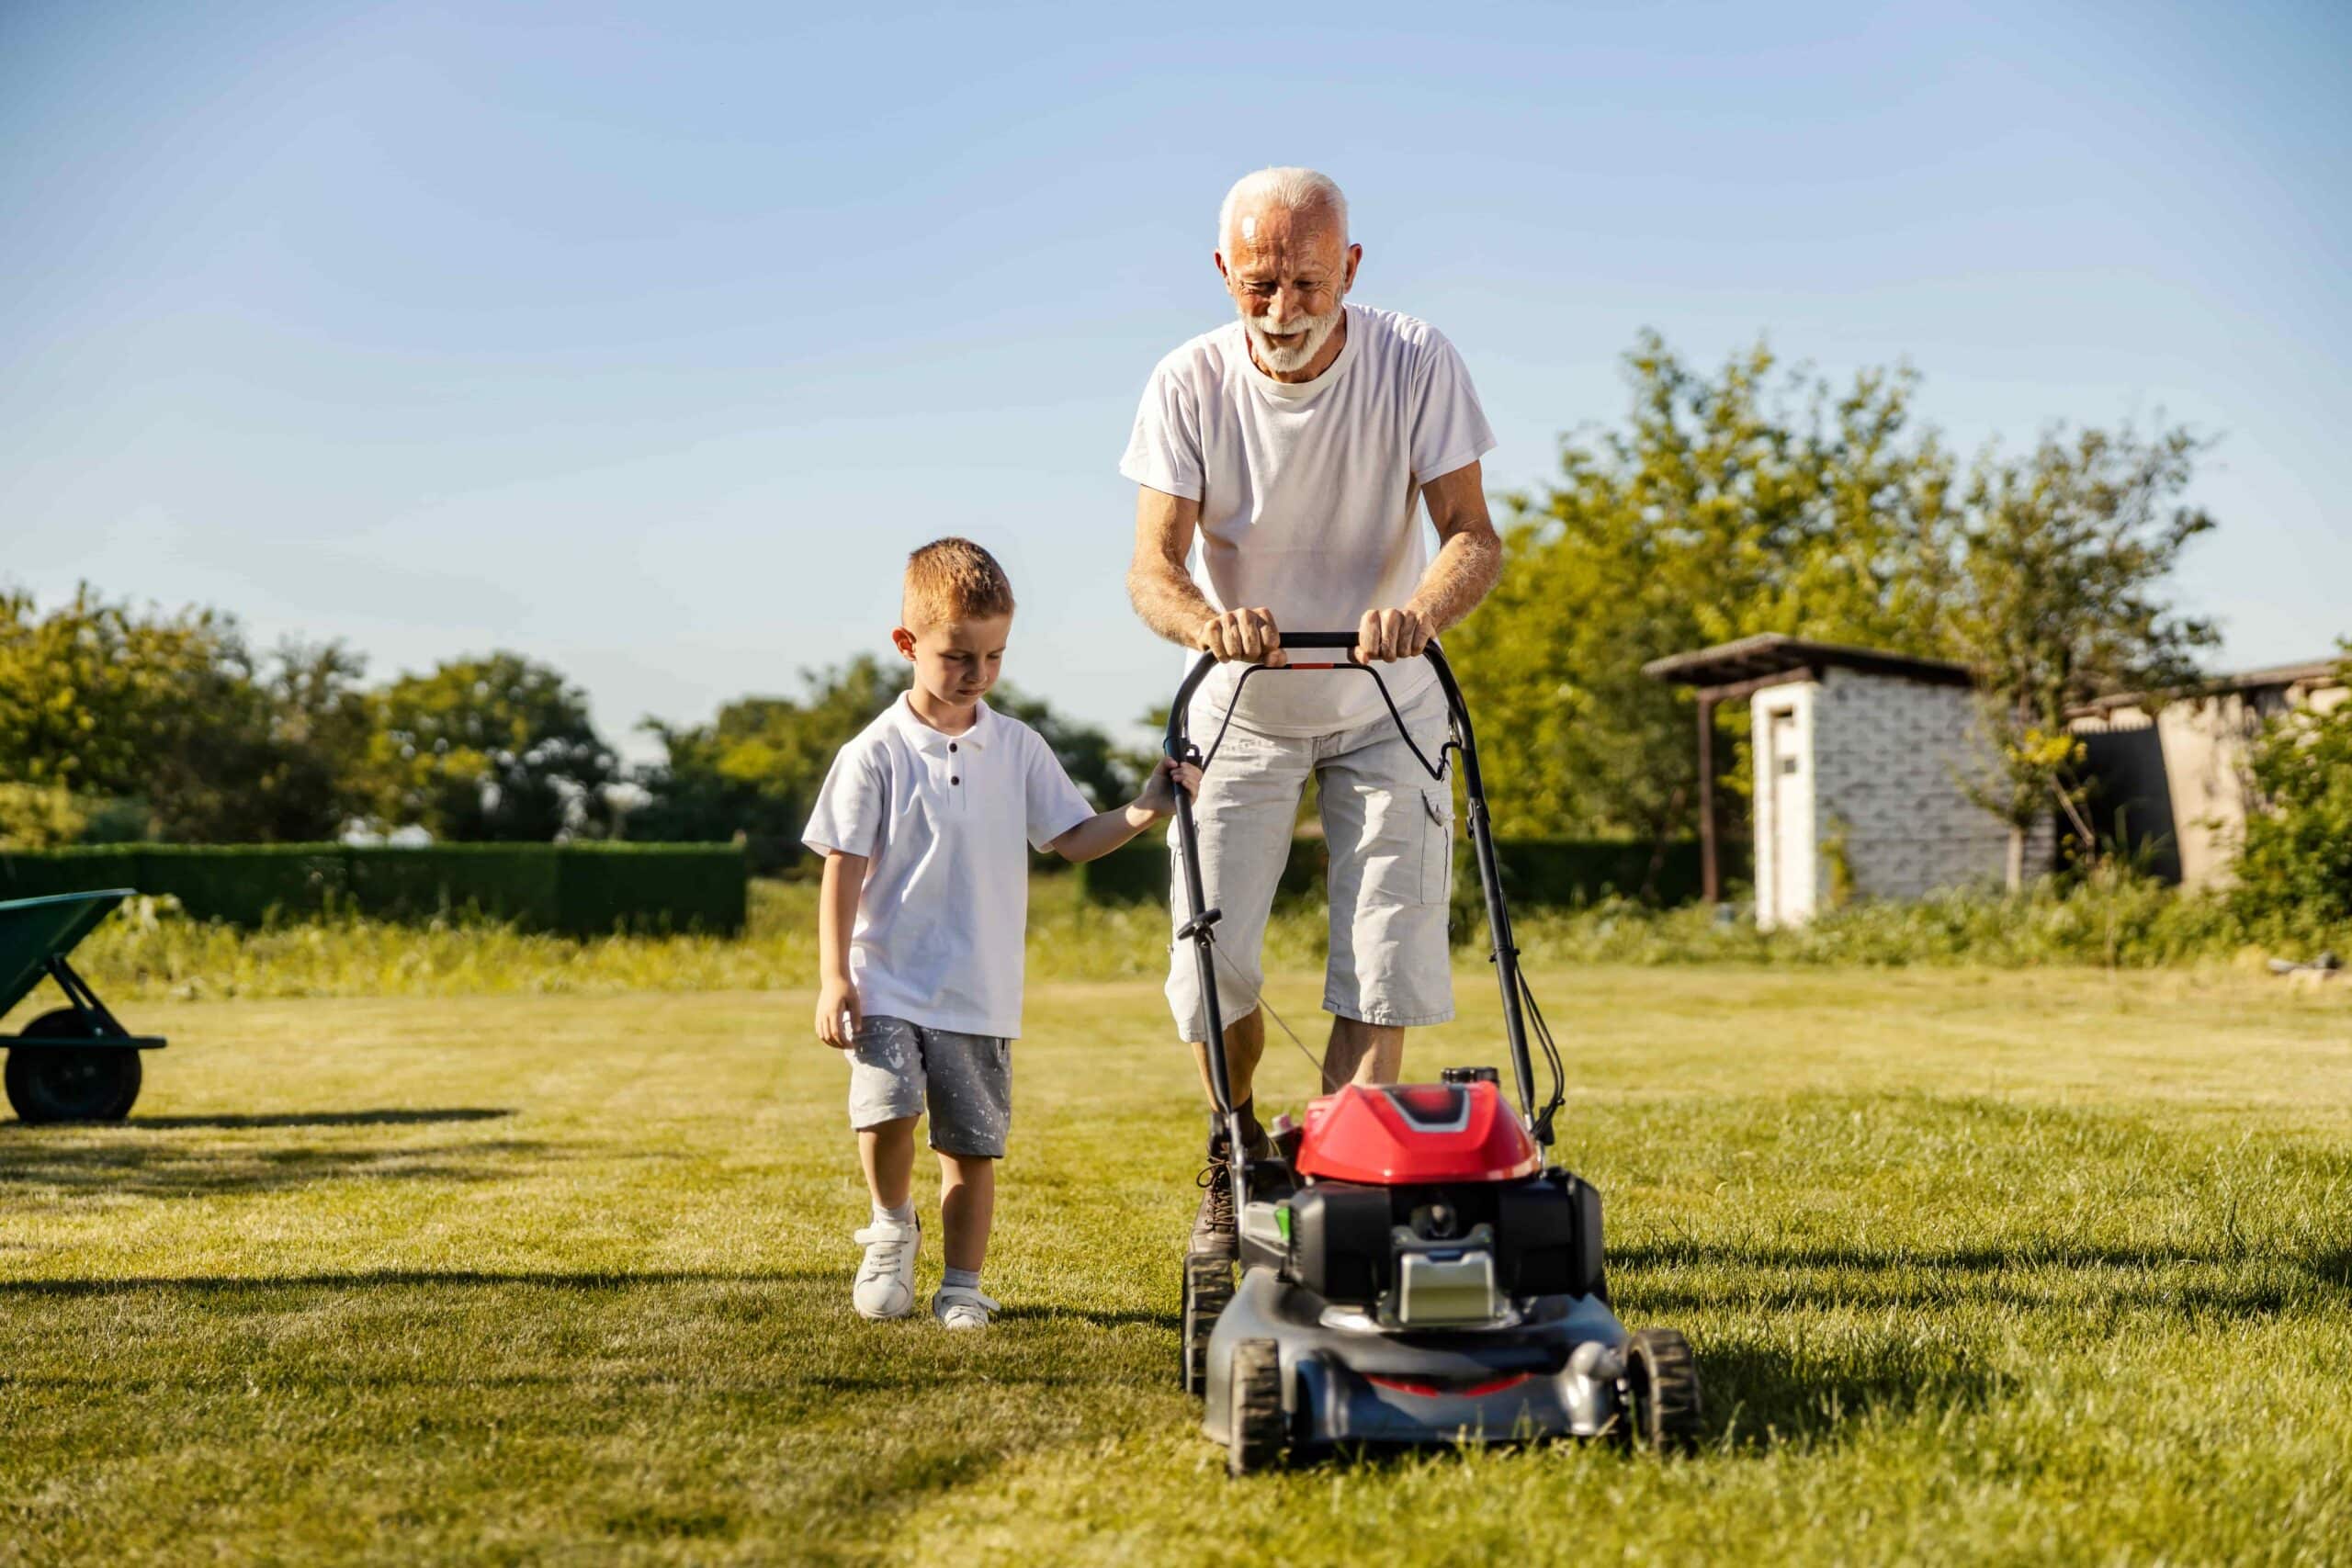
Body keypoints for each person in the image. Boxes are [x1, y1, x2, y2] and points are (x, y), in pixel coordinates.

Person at [1122, 167, 1504, 1258]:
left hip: (1388, 698)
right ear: (1221, 275)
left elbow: (1471, 532)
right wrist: (1207, 623)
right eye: (1257, 288)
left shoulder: (1416, 361)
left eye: (1303, 282)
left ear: (1349, 267)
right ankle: (1235, 1151)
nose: (1283, 310)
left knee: (1382, 954)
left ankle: (1346, 1191)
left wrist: (1418, 612)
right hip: (1242, 700)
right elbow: (1151, 566)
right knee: (1210, 963)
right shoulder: (1186, 382)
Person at [804, 537, 1196, 1329]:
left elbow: (1074, 837)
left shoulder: (1018, 747)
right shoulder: (872, 753)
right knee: (884, 1108)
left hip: (979, 989)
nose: (978, 671)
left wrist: (1148, 805)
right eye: (957, 655)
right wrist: (835, 976)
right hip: (886, 979)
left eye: (994, 654)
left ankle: (961, 1285)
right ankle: (889, 1227)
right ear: (907, 644)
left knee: (971, 1147)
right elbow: (842, 868)